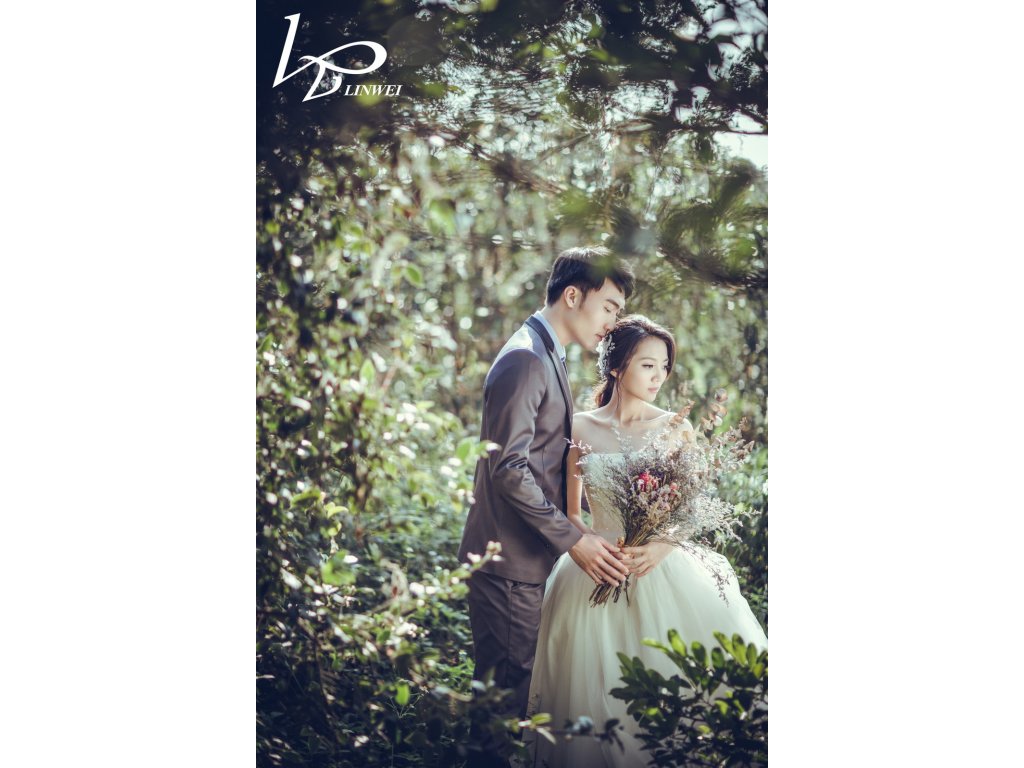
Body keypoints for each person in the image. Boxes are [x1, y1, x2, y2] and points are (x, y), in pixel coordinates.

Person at [527, 315, 768, 768]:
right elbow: (572, 512)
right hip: (595, 567)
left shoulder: (676, 427)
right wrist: (593, 548)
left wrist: (660, 547)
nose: (659, 376)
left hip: (657, 567)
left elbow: (689, 511)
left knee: (667, 683)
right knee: (590, 686)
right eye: (648, 365)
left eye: (664, 367)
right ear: (617, 367)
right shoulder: (579, 427)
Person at [457, 246, 635, 765]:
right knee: (499, 714)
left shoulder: (546, 352)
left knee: (508, 704)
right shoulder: (526, 358)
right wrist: (573, 539)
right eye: (609, 307)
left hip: (524, 562)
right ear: (573, 296)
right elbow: (508, 468)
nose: (612, 322)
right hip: (507, 564)